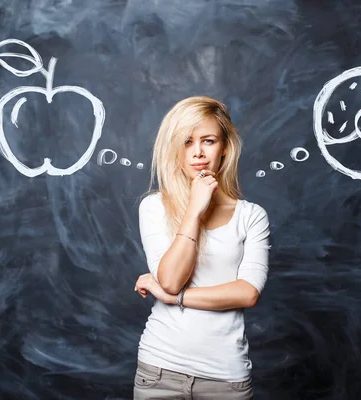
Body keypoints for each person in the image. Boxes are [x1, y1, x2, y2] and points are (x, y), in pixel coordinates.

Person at [133, 96, 271, 399]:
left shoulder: (251, 216)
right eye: (186, 142)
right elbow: (170, 278)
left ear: (224, 149)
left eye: (208, 141)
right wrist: (195, 209)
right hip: (159, 371)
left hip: (226, 378)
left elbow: (247, 293)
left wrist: (174, 297)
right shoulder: (154, 207)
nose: (197, 153)